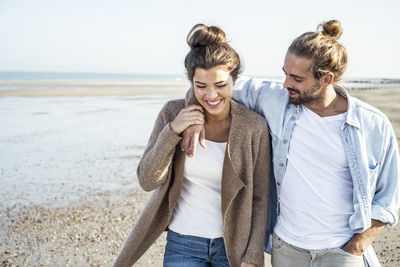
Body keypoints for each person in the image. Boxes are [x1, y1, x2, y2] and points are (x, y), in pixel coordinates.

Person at [182, 20, 400, 267]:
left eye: (297, 78)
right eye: (285, 73)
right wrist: (195, 118)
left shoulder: (372, 124)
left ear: (326, 79)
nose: (286, 83)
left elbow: (387, 200)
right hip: (287, 250)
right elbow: (211, 86)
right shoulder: (275, 98)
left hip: (341, 253)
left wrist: (356, 247)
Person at [114, 24, 271, 267]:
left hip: (231, 248)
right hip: (183, 243)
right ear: (191, 83)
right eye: (201, 86)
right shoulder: (173, 113)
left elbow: (260, 198)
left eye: (220, 85)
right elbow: (147, 180)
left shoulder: (254, 127)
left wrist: (252, 256)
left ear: (235, 80)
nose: (211, 95)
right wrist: (173, 130)